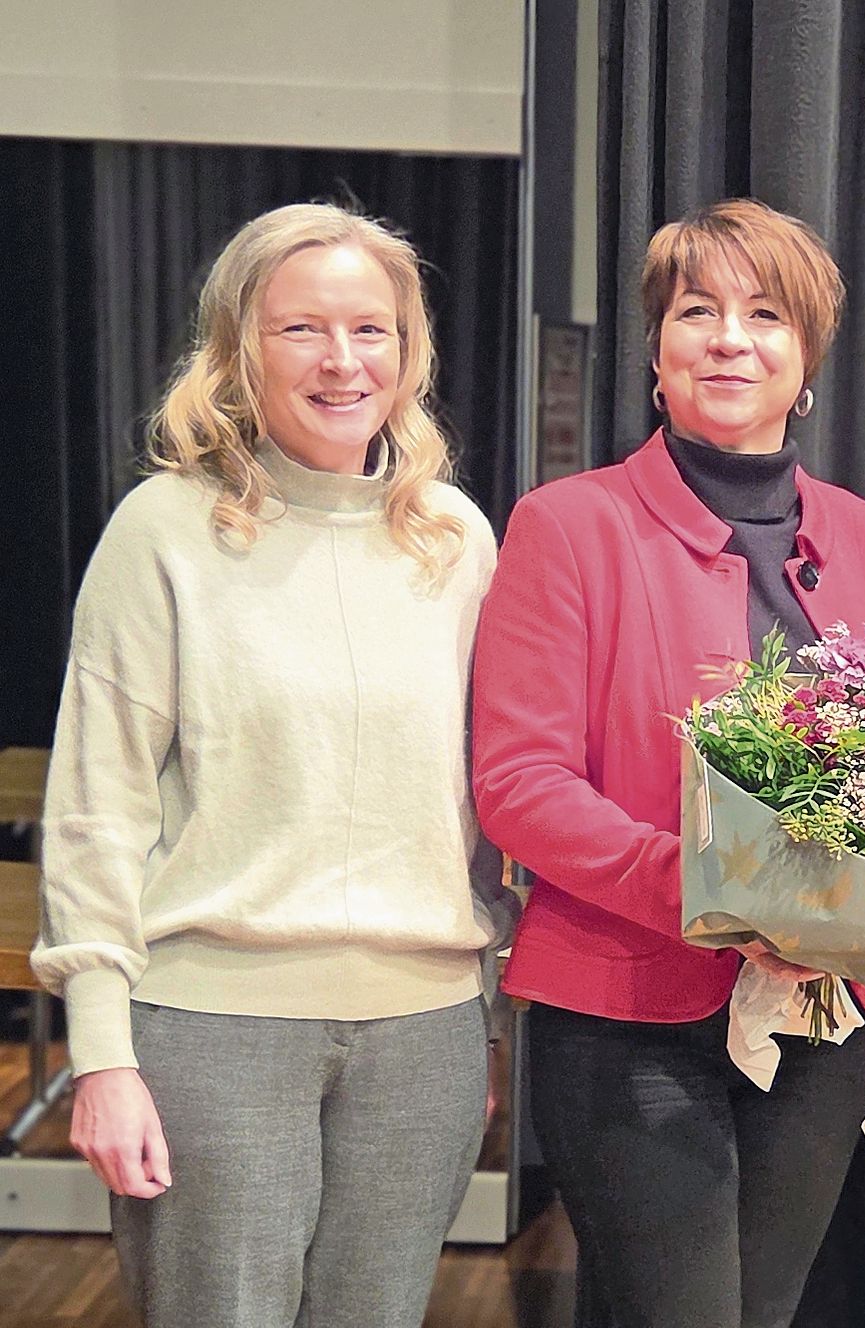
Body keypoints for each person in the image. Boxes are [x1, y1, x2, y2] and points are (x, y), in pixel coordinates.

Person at [30, 203, 513, 1327]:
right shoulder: (165, 531)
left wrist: (480, 1016)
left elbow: (482, 795)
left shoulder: (454, 538)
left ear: (409, 350)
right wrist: (102, 1054)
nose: (343, 361)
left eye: (372, 329)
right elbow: (96, 808)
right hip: (211, 1033)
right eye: (303, 328)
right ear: (239, 349)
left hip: (423, 1037)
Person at [470, 198, 865, 1328]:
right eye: (697, 310)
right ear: (658, 351)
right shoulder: (567, 523)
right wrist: (715, 891)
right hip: (623, 1012)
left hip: (817, 1020)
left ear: (804, 358)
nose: (730, 337)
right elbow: (519, 783)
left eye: (766, 315)